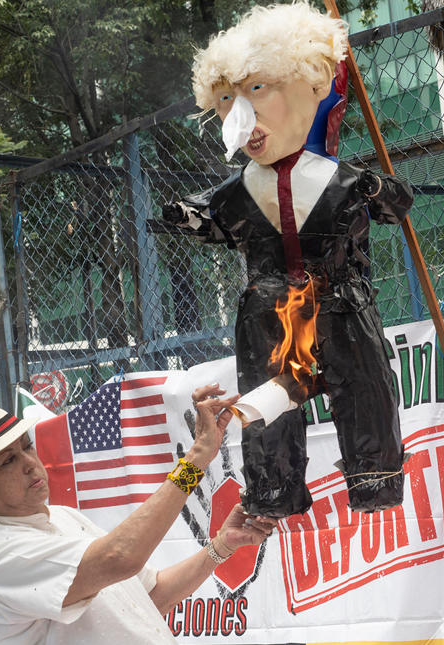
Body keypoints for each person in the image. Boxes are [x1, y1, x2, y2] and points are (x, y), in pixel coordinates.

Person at [163, 3, 411, 516]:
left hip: (341, 301)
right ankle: (274, 490)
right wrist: (190, 217)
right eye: (228, 100)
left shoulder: (340, 177)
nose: (241, 116)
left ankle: (375, 480)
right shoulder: (238, 190)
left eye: (256, 90)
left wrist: (377, 188)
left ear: (310, 84)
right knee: (267, 405)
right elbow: (215, 219)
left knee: (364, 389)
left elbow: (396, 203)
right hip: (268, 309)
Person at [0, 388, 277, 645]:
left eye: (26, 446)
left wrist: (222, 545)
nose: (30, 462)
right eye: (7, 461)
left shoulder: (61, 518)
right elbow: (121, 558)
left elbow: (150, 597)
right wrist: (197, 457)